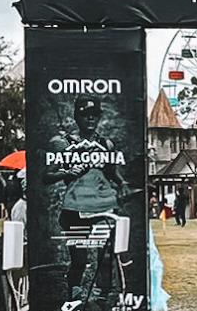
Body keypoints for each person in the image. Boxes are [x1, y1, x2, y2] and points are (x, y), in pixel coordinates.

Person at [45, 96, 130, 311]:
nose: (90, 119)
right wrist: (67, 172)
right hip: (75, 209)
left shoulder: (106, 144)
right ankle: (73, 298)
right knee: (79, 259)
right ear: (77, 117)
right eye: (85, 115)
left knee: (106, 255)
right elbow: (47, 176)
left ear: (99, 117)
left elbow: (112, 172)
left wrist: (122, 184)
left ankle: (102, 298)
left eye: (94, 115)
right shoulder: (64, 143)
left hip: (103, 207)